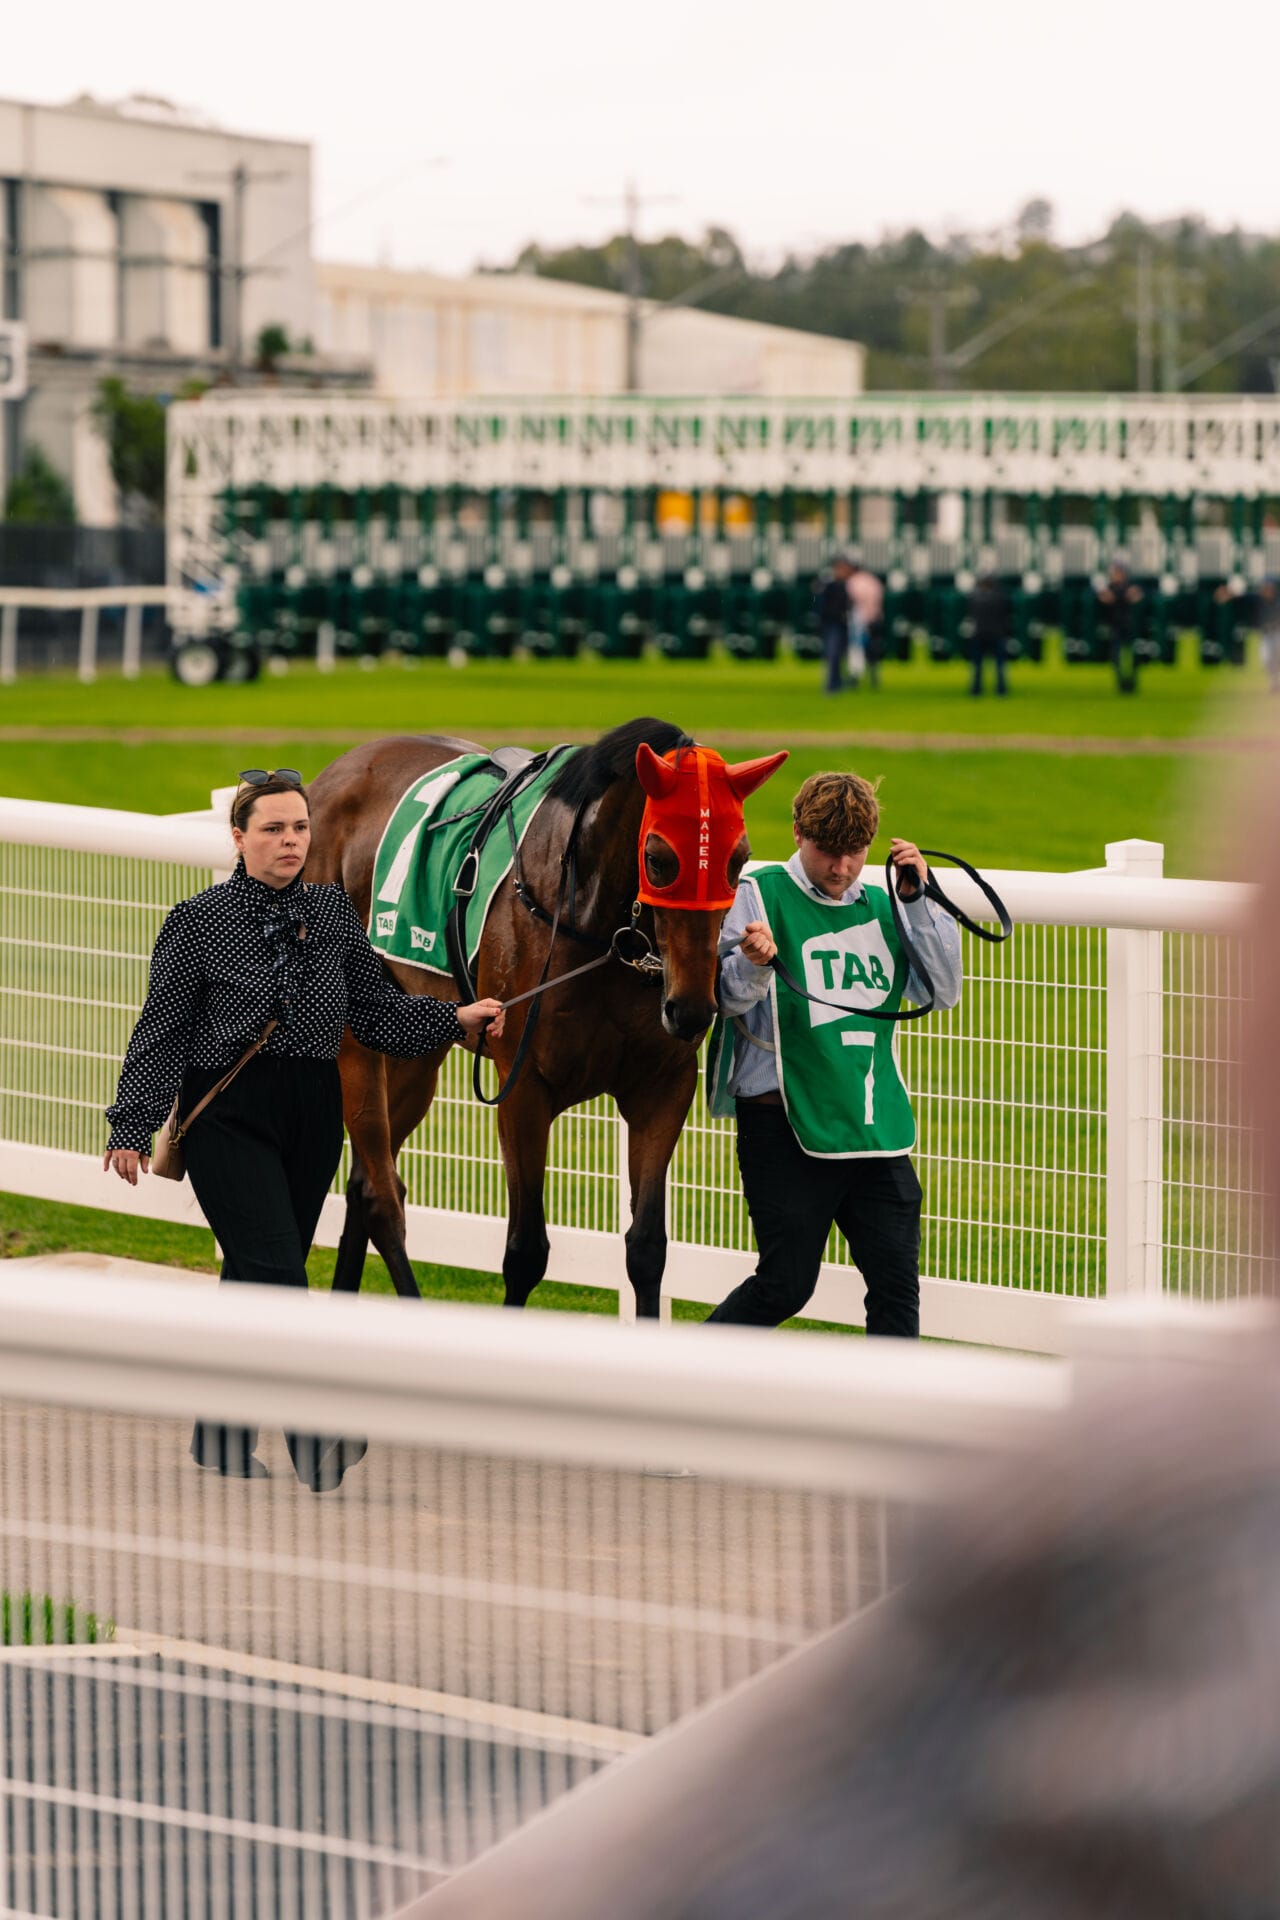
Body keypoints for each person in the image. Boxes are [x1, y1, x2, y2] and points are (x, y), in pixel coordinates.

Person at [102, 769, 505, 1490]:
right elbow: (160, 1032)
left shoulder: (331, 913)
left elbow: (377, 1013)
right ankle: (317, 1436)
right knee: (281, 1276)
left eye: (298, 828)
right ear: (238, 838)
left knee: (255, 1277)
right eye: (272, 829)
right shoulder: (197, 922)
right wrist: (131, 1123)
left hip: (313, 1115)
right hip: (227, 1116)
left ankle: (220, 1441)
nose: (290, 842)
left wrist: (454, 1019)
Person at [704, 771, 962, 1337]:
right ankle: (677, 1381)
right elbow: (719, 1000)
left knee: (897, 1290)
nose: (841, 869)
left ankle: (886, 1422)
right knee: (786, 1286)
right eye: (827, 852)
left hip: (873, 1130)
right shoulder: (754, 892)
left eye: (853, 853)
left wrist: (920, 902)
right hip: (783, 1125)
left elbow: (941, 992)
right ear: (798, 833)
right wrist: (751, 962)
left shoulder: (884, 903)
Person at [1095, 558, 1143, 694]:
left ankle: (1132, 681)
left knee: (1133, 655)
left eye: (1119, 573)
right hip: (1115, 627)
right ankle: (1120, 681)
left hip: (1129, 626)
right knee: (1115, 656)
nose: (1116, 576)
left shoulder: (1130, 588)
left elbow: (1140, 596)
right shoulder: (1109, 589)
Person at [813, 555, 854, 695]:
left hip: (840, 623)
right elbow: (819, 603)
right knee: (833, 653)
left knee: (838, 654)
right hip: (832, 623)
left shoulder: (842, 584)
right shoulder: (829, 584)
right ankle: (831, 685)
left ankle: (837, 682)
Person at [967, 571, 1012, 697]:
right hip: (997, 634)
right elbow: (1006, 616)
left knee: (977, 666)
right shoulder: (1000, 597)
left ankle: (976, 689)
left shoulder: (975, 598)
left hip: (979, 634)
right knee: (1000, 666)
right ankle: (1001, 689)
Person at [847, 565, 885, 689]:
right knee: (872, 650)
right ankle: (874, 676)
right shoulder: (873, 581)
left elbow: (852, 600)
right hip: (875, 619)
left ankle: (855, 678)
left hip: (860, 619)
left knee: (856, 649)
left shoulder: (854, 582)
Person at [1257, 576, 1280, 694]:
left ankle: (1275, 683)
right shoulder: (1258, 600)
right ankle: (1274, 682)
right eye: (1265, 588)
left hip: (1278, 634)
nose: (1267, 590)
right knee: (1266, 660)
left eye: (1269, 588)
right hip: (1266, 635)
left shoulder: (1278, 601)